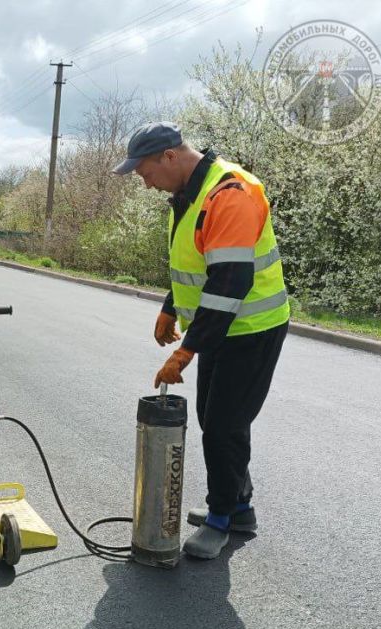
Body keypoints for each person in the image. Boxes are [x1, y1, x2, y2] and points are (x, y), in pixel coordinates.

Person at [113, 122, 289, 560]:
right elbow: (197, 261)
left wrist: (186, 351)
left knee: (224, 426)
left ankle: (221, 518)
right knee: (218, 420)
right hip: (222, 328)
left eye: (145, 172)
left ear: (169, 157)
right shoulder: (190, 192)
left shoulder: (229, 193)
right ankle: (239, 507)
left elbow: (229, 282)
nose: (145, 182)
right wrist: (170, 306)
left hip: (251, 329)